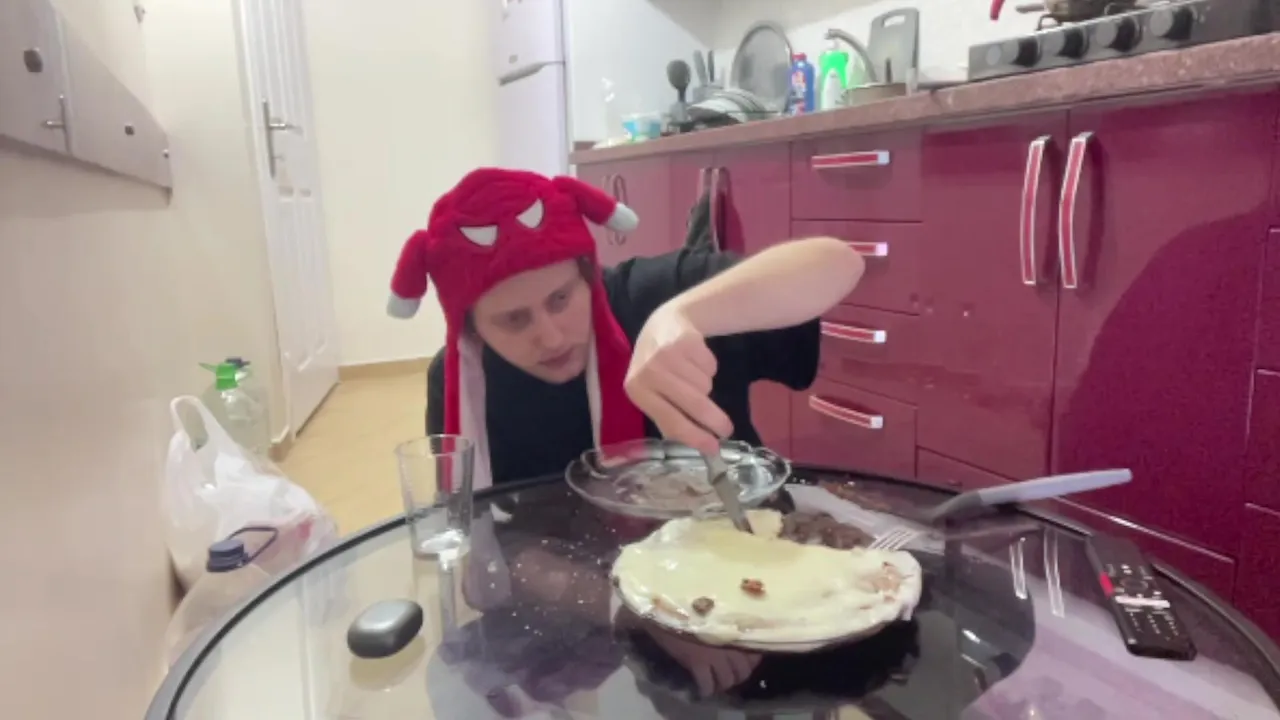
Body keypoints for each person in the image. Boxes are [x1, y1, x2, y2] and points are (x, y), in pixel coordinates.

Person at [388, 167, 865, 697]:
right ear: (470, 326)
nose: (551, 336)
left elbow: (838, 263)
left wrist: (682, 314)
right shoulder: (462, 386)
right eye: (514, 321)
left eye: (561, 299)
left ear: (586, 273)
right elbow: (494, 547)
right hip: (596, 602)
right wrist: (644, 611)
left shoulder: (647, 297)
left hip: (761, 570)